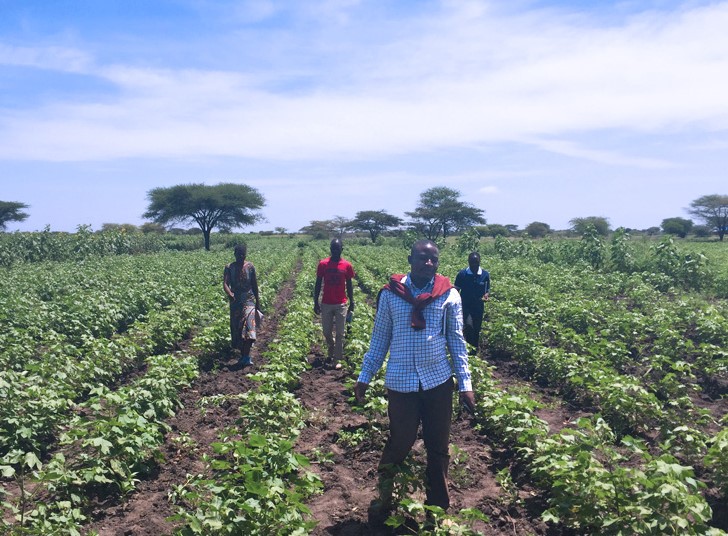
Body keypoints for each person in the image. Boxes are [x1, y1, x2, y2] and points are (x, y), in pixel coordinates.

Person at [354, 239, 476, 524]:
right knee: (400, 441)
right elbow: (379, 339)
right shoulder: (390, 295)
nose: (429, 263)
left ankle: (436, 511)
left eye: (434, 259)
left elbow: (457, 343)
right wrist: (364, 377)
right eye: (423, 258)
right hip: (401, 383)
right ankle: (384, 498)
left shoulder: (449, 295)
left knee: (438, 447)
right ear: (410, 259)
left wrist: (466, 384)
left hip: (438, 383)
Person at [314, 238, 355, 370]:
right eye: (333, 249)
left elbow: (349, 285)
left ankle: (337, 358)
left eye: (337, 249)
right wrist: (315, 301)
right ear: (330, 250)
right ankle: (331, 349)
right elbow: (318, 283)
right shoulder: (323, 264)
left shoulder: (347, 266)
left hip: (341, 303)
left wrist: (352, 301)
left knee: (340, 332)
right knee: (326, 332)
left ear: (341, 250)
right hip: (326, 303)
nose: (335, 251)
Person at [223, 243, 260, 367]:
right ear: (234, 254)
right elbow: (225, 283)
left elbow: (254, 284)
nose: (241, 257)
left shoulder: (250, 267)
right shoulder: (229, 267)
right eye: (238, 255)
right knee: (238, 329)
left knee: (249, 327)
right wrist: (230, 293)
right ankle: (243, 356)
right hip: (235, 302)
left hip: (249, 300)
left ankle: (246, 356)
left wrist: (258, 301)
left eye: (243, 255)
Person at [454, 251, 490, 350]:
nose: (474, 264)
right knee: (469, 325)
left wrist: (486, 295)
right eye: (472, 262)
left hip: (478, 305)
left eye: (476, 262)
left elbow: (487, 289)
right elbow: (456, 289)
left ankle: (475, 349)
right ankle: (469, 348)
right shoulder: (462, 274)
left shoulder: (485, 275)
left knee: (477, 328)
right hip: (465, 305)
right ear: (468, 262)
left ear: (479, 261)